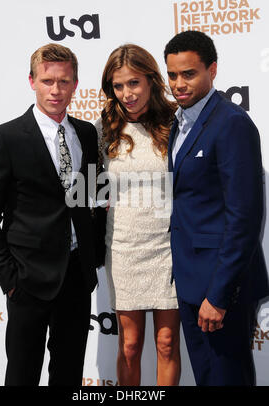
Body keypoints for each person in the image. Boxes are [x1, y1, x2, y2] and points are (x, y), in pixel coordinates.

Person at [0, 43, 101, 386]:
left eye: (63, 81)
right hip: (28, 280)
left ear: (75, 84)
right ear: (32, 81)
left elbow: (89, 200)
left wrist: (92, 258)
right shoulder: (6, 138)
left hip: (76, 276)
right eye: (47, 81)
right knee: (22, 375)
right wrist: (10, 280)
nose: (55, 90)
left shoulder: (87, 134)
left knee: (69, 372)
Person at [164, 30, 269, 386]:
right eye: (173, 75)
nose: (179, 83)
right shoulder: (178, 124)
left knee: (228, 378)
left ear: (212, 70)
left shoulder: (232, 123)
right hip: (192, 283)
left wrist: (220, 295)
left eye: (189, 74)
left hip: (221, 288)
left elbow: (244, 217)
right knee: (208, 378)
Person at [95, 44, 180, 386]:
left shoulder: (176, 120)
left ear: (150, 81)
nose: (127, 94)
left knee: (167, 342)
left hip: (169, 246)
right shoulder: (103, 128)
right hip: (124, 246)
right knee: (129, 346)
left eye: (134, 83)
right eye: (118, 86)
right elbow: (87, 189)